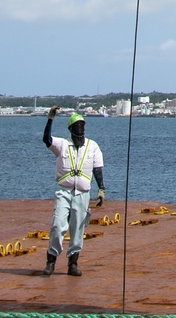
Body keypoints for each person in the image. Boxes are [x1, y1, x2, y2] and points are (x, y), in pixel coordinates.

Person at [42, 107, 105, 277]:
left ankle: (73, 263)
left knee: (78, 228)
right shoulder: (62, 145)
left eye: (81, 126)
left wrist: (101, 189)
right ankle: (51, 261)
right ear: (71, 129)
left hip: (82, 194)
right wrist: (50, 119)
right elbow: (46, 140)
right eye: (76, 126)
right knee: (57, 225)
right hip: (64, 192)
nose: (79, 129)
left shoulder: (93, 146)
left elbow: (97, 169)